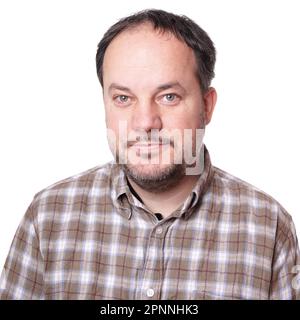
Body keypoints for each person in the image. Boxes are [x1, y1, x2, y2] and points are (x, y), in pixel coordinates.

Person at [0, 9, 299, 300]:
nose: (145, 122)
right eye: (123, 98)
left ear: (207, 106)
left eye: (168, 97)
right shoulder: (48, 216)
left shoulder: (269, 227)